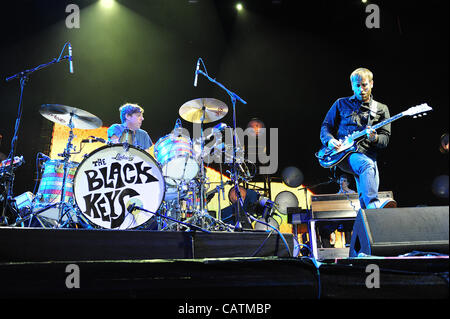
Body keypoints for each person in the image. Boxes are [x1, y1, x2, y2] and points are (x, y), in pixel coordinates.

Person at [320, 67, 397, 209]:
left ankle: (367, 218)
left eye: (364, 85)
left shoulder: (381, 108)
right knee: (367, 167)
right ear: (352, 86)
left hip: (368, 155)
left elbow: (385, 140)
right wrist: (330, 140)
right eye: (357, 86)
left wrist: (374, 138)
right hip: (344, 153)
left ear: (371, 84)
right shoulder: (340, 103)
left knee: (366, 187)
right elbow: (325, 126)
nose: (361, 89)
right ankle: (374, 204)